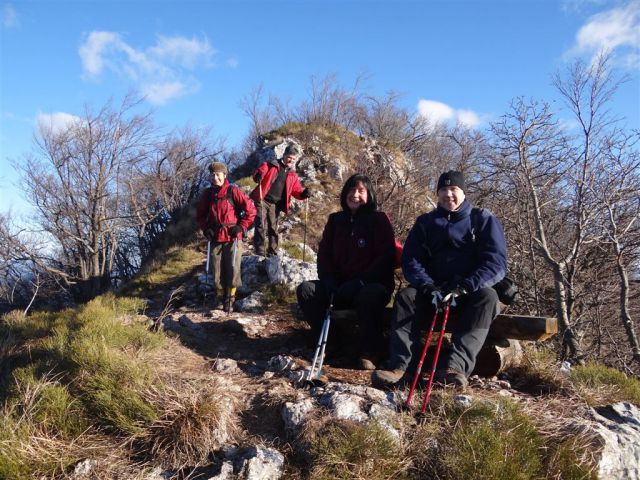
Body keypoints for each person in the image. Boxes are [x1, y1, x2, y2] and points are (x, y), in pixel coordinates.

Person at [372, 170, 507, 389]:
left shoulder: (482, 219)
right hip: (433, 292)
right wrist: (427, 286)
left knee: (488, 297)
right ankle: (403, 367)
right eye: (443, 190)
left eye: (453, 189)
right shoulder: (425, 223)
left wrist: (465, 287)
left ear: (463, 192)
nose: (448, 194)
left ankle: (454, 368)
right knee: (407, 296)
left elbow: (495, 263)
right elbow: (411, 260)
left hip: (467, 293)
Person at [296, 173, 397, 370]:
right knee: (306, 290)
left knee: (371, 295)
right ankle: (333, 343)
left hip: (369, 285)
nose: (355, 195)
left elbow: (386, 257)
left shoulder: (378, 220)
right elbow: (324, 255)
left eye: (361, 191)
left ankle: (371, 350)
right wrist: (328, 280)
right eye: (351, 190)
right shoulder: (335, 220)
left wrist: (360, 282)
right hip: (339, 286)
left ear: (370, 195)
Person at [196, 161, 257, 312]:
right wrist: (206, 229)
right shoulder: (208, 194)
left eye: (218, 174)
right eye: (212, 175)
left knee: (233, 267)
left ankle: (230, 297)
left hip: (232, 236)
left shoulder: (233, 191)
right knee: (216, 269)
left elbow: (250, 210)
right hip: (215, 236)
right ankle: (220, 296)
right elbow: (200, 215)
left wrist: (241, 227)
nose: (215, 177)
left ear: (224, 175)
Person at [250, 144, 310, 256]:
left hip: (276, 204)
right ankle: (260, 251)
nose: (290, 160)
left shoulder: (293, 175)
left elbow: (296, 190)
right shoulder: (271, 164)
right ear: (284, 155)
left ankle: (272, 252)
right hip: (262, 199)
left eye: (293, 159)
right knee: (260, 225)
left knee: (273, 228)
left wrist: (303, 194)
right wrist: (258, 175)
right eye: (289, 157)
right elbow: (259, 172)